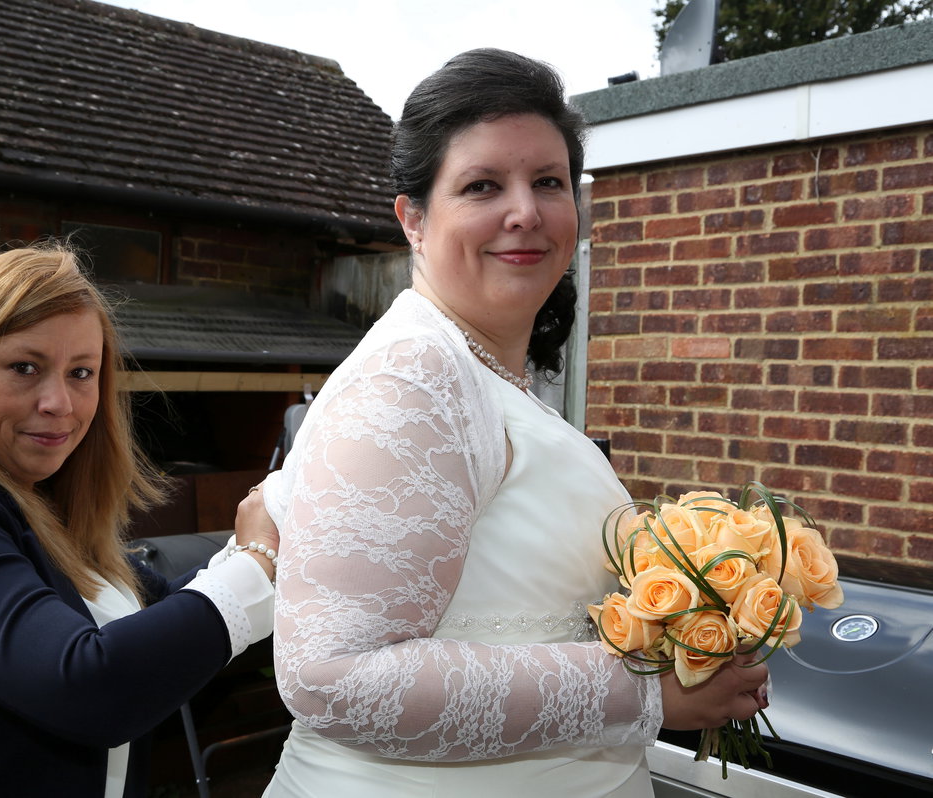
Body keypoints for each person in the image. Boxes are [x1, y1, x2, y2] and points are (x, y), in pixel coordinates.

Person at [257, 49, 768, 797]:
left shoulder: (486, 375)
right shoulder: (414, 374)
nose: (525, 211)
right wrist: (646, 692)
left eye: (549, 182)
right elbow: (332, 678)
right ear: (413, 219)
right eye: (483, 185)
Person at [0, 244, 279, 798]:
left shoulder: (44, 506)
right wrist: (255, 565)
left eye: (81, 372)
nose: (59, 402)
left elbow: (159, 616)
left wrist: (275, 545)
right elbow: (86, 686)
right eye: (25, 368)